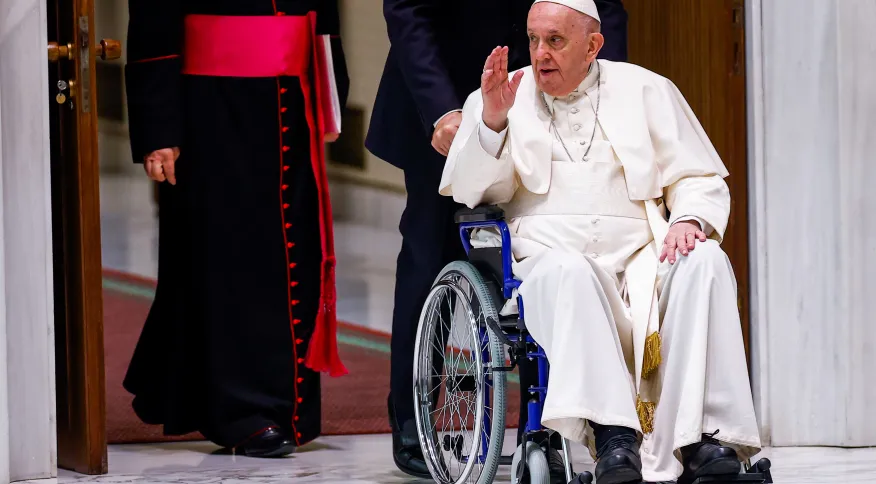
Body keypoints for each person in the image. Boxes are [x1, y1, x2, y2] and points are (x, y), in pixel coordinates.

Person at [439, 0, 762, 483]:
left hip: (642, 258)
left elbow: (698, 175)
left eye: (555, 40)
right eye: (533, 39)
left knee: (706, 260)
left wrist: (688, 220)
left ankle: (703, 438)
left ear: (593, 46)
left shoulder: (647, 89)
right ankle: (614, 437)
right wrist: (493, 123)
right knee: (570, 271)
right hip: (548, 257)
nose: (540, 53)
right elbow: (473, 192)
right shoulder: (504, 97)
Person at [365, 0, 628, 478]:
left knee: (556, 240)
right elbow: (407, 11)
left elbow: (604, 7)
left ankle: (576, 419)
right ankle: (412, 412)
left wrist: (608, 91)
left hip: (549, 96)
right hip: (442, 98)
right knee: (430, 251)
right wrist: (443, 110)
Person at [123, 0, 349, 457]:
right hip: (210, 107)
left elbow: (323, 9)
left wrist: (330, 91)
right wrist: (159, 127)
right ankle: (242, 412)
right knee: (230, 258)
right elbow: (153, 18)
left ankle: (286, 409)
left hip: (291, 96)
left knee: (292, 256)